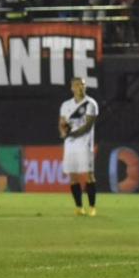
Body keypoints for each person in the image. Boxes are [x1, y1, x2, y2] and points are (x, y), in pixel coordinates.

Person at [59, 77, 99, 216]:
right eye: (77, 85)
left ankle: (92, 207)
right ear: (72, 88)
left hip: (85, 145)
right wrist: (63, 131)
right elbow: (62, 123)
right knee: (73, 177)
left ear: (85, 86)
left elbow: (88, 126)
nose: (80, 87)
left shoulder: (91, 104)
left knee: (89, 176)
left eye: (82, 84)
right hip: (70, 147)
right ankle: (79, 207)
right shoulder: (66, 105)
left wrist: (71, 133)